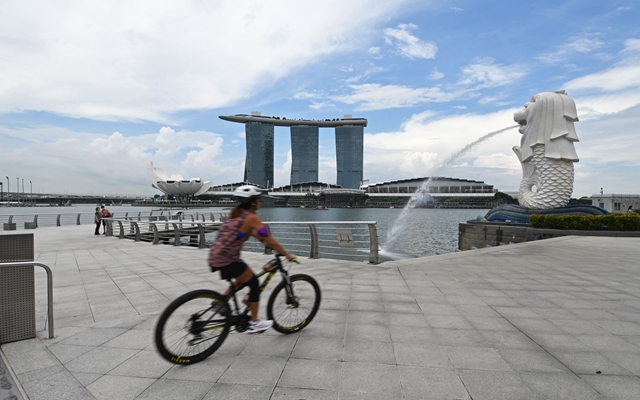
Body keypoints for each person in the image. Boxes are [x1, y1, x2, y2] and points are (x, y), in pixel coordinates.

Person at [208, 185, 297, 334]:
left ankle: (220, 302)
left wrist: (263, 241)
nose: (260, 203)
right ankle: (253, 323)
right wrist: (287, 255)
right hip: (228, 261)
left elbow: (250, 234)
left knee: (243, 279)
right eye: (259, 200)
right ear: (253, 202)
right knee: (254, 282)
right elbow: (268, 238)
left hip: (215, 258)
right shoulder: (251, 217)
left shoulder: (236, 216)